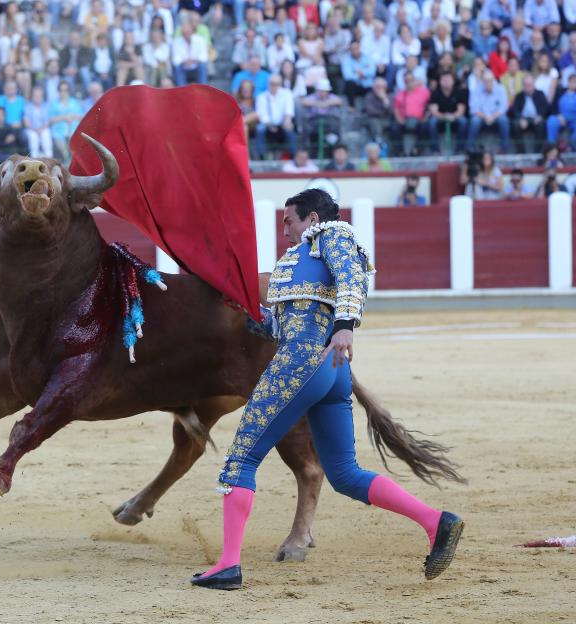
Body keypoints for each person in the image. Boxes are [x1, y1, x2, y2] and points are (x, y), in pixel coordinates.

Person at [190, 188, 464, 591]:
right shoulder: (298, 260)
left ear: (313, 219)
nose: (284, 228)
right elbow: (283, 324)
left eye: (289, 220)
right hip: (329, 371)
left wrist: (345, 327)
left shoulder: (331, 235)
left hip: (303, 362)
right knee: (345, 474)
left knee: (241, 460)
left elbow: (353, 277)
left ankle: (228, 565)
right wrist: (247, 314)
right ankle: (435, 522)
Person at [253, 75, 297, 159]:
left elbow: (288, 110)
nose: (274, 86)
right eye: (272, 83)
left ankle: (293, 155)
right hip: (267, 123)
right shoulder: (262, 96)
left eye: (277, 84)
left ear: (280, 84)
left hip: (283, 122)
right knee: (260, 129)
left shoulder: (287, 93)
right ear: (268, 84)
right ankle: (261, 156)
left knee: (289, 129)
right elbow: (261, 114)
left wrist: (287, 121)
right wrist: (269, 125)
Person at [467, 72, 510, 152]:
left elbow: (503, 108)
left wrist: (492, 117)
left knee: (504, 120)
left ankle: (504, 148)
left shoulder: (501, 89)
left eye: (490, 81)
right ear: (482, 81)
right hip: (481, 117)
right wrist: (485, 117)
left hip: (496, 116)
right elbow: (473, 109)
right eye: (485, 81)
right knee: (475, 121)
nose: (488, 83)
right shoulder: (476, 90)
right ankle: (470, 148)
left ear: (494, 80)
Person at [427, 72, 468, 153]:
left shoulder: (459, 92)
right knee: (432, 122)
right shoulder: (435, 93)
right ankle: (435, 149)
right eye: (444, 79)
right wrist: (444, 116)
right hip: (440, 118)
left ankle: (460, 149)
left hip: (454, 117)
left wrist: (452, 116)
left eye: (448, 79)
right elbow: (433, 111)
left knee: (463, 121)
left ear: (453, 81)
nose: (446, 81)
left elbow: (461, 110)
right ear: (440, 81)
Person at [392, 71, 430, 155]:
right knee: (395, 129)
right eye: (407, 81)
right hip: (404, 120)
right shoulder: (400, 94)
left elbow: (430, 105)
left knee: (425, 127)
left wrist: (426, 117)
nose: (409, 83)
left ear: (415, 80)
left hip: (420, 120)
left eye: (411, 80)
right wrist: (399, 119)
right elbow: (396, 108)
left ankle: (417, 150)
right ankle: (399, 151)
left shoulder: (424, 92)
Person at [510, 75, 549, 152]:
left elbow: (546, 108)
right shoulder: (519, 96)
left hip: (536, 119)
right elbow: (514, 110)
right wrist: (520, 118)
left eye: (530, 85)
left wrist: (540, 116)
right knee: (515, 125)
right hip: (523, 119)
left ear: (534, 85)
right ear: (523, 86)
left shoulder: (540, 94)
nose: (528, 87)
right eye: (526, 85)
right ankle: (521, 152)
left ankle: (537, 152)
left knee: (541, 125)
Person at [47, 82, 82, 162]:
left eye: (65, 90)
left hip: (73, 130)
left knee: (74, 144)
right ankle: (68, 162)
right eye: (61, 90)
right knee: (64, 149)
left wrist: (72, 116)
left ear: (68, 91)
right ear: (58, 91)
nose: (63, 92)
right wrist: (64, 117)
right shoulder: (54, 104)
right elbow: (51, 120)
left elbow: (81, 116)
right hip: (59, 132)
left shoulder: (74, 102)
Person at [341, 39, 376, 106]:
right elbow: (347, 76)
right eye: (352, 49)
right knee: (349, 84)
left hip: (368, 85)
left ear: (360, 47)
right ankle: (352, 107)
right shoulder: (346, 60)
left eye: (356, 48)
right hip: (355, 86)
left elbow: (372, 72)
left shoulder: (368, 57)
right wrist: (359, 75)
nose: (354, 50)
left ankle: (368, 109)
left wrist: (361, 72)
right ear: (350, 50)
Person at [546, 73, 576, 148]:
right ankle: (551, 147)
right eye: (572, 81)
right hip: (561, 117)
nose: (574, 84)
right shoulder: (560, 91)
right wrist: (559, 115)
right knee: (551, 120)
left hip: (574, 120)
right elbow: (553, 105)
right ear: (568, 82)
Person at [24, 85, 53, 158]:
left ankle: (49, 157)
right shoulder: (27, 107)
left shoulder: (46, 106)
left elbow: (47, 122)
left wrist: (41, 129)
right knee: (33, 136)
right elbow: (26, 122)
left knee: (46, 133)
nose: (37, 98)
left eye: (39, 96)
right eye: (35, 96)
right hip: (31, 129)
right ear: (32, 96)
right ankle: (34, 157)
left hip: (43, 129)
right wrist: (35, 130)